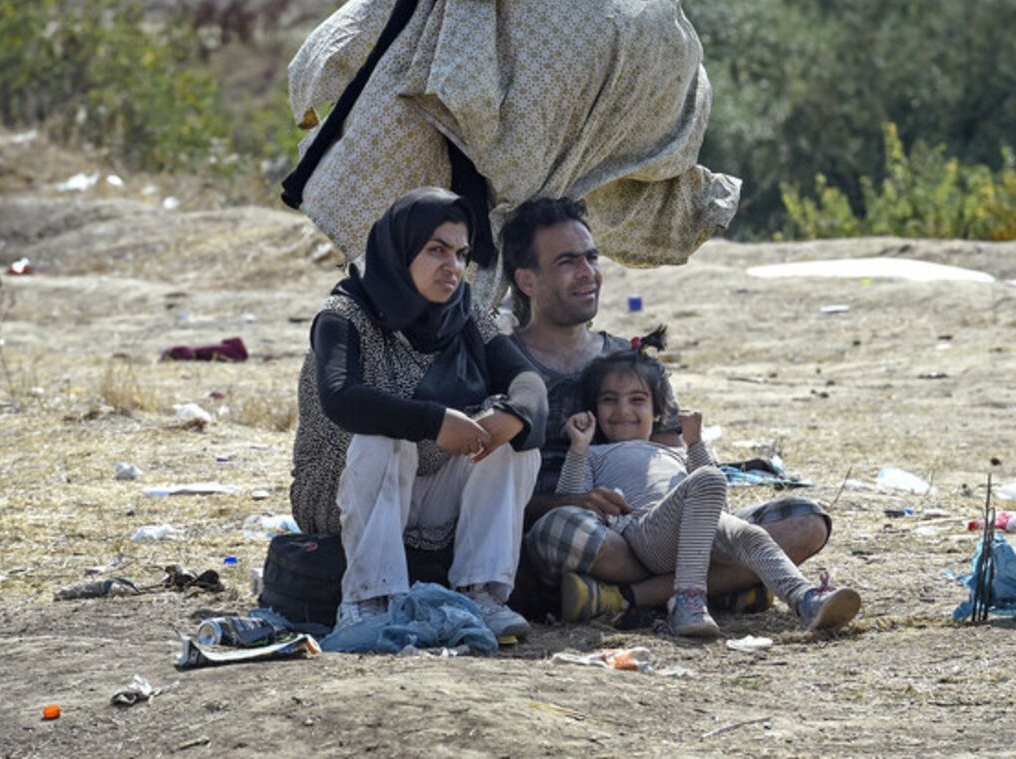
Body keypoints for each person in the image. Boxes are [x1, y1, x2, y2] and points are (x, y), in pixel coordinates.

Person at [501, 197, 835, 622]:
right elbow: (488, 493)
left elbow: (675, 463)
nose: (588, 273)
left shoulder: (629, 359)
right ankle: (725, 582)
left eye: (591, 257)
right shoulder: (503, 363)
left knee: (807, 521)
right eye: (568, 262)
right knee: (568, 531)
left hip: (663, 526)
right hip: (587, 535)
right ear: (527, 281)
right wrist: (572, 500)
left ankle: (625, 598)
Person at [290, 188, 546, 638]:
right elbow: (340, 397)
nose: (453, 265)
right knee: (383, 436)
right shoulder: (344, 314)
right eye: (436, 250)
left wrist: (513, 414)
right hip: (338, 491)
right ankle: (369, 601)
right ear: (400, 249)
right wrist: (434, 421)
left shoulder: (465, 315)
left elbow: (528, 383)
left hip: (426, 490)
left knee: (514, 442)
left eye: (462, 253)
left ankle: (480, 594)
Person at [559, 331, 861, 638]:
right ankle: (689, 600)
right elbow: (572, 496)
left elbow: (720, 505)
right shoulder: (596, 453)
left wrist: (695, 444)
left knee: (751, 535)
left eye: (637, 400)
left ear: (659, 412)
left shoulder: (676, 451)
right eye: (610, 401)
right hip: (646, 533)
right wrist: (578, 448)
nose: (623, 410)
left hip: (700, 532)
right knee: (709, 479)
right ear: (595, 410)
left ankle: (807, 600)